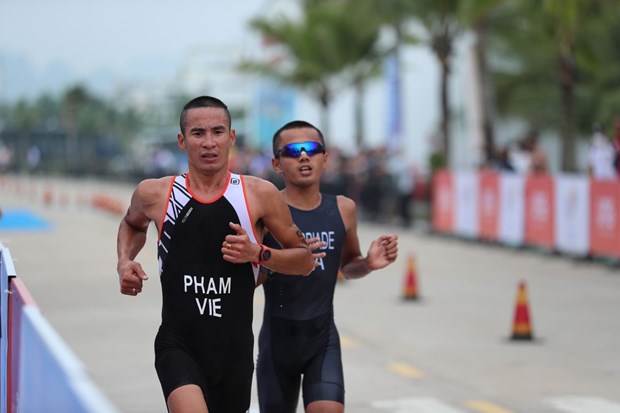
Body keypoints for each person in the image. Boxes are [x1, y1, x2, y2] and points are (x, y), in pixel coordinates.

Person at [116, 96, 316, 413]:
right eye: (198, 133)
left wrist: (259, 253)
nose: (209, 142)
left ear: (231, 138)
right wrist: (125, 262)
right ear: (182, 141)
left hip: (234, 355)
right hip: (177, 344)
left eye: (218, 132)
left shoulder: (258, 194)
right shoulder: (156, 193)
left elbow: (305, 260)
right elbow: (131, 224)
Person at [256, 120, 399, 413]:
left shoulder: (343, 209)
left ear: (325, 158)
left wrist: (368, 264)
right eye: (293, 151)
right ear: (277, 163)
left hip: (322, 342)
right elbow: (247, 279)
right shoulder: (266, 213)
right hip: (277, 344)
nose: (304, 156)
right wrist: (284, 261)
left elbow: (348, 266)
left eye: (312, 149)